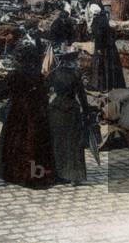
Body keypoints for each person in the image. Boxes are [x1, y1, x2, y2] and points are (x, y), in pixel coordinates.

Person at [0, 44, 56, 188]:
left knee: (15, 141)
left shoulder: (14, 74)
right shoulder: (39, 75)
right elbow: (44, 93)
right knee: (35, 142)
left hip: (17, 111)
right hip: (36, 111)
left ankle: (15, 173)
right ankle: (37, 174)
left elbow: (2, 93)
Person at [46, 50, 90, 184]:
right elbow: (82, 95)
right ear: (71, 62)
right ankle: (75, 175)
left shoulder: (53, 74)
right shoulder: (76, 74)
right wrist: (87, 111)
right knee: (74, 143)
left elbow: (46, 90)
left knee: (58, 142)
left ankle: (60, 173)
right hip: (72, 110)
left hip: (56, 110)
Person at [88, 4, 125, 92]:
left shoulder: (97, 21)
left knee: (102, 67)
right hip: (110, 47)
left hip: (103, 47)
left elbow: (99, 35)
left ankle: (103, 87)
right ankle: (112, 86)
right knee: (110, 67)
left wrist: (99, 48)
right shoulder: (104, 19)